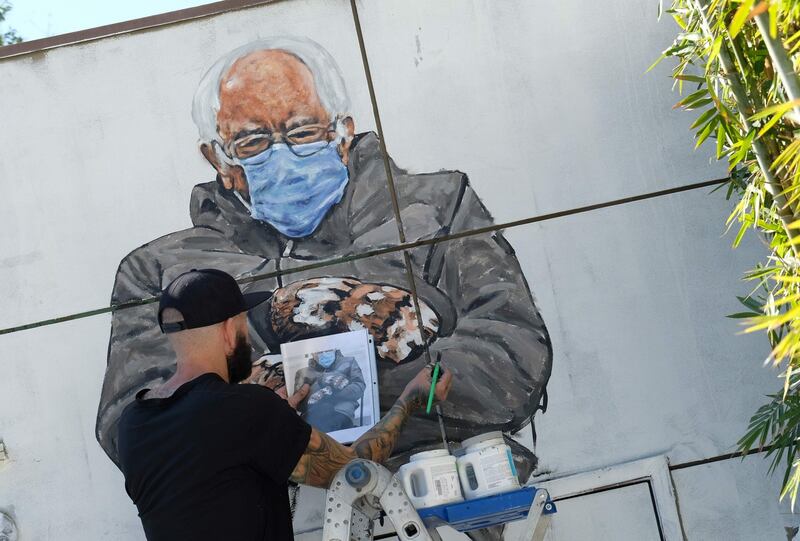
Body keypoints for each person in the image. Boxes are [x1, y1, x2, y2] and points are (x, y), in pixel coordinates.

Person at [97, 36, 551, 485]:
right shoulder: (159, 270)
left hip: (444, 502)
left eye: (302, 132)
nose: (283, 155)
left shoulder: (436, 207)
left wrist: (262, 396)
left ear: (342, 134)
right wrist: (274, 331)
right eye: (252, 141)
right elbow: (133, 431)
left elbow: (511, 362)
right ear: (217, 158)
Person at [117, 268, 452, 541]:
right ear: (230, 329)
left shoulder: (133, 424)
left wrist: (276, 422)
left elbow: (208, 472)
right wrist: (411, 398)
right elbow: (356, 472)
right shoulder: (245, 410)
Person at [294, 349, 366, 431]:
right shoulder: (303, 372)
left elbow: (359, 386)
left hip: (341, 411)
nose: (325, 354)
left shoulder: (349, 361)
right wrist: (321, 383)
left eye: (329, 350)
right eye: (320, 351)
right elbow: (300, 405)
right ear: (312, 353)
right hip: (314, 412)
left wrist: (331, 394)